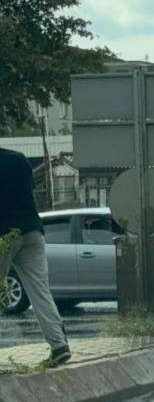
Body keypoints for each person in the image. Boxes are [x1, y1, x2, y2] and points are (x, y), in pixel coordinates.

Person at [0, 147, 71, 366]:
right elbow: (30, 190)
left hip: (3, 234)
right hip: (32, 231)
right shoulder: (18, 158)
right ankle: (59, 345)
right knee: (39, 289)